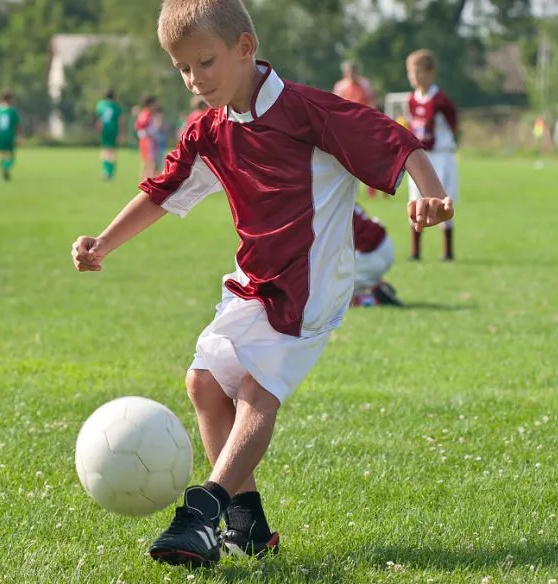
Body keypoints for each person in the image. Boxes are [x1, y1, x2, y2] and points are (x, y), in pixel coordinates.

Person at [71, 0, 453, 567]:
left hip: (309, 284)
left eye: (205, 62)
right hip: (254, 277)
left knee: (254, 390)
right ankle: (248, 528)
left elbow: (393, 140)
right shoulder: (209, 128)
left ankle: (202, 511)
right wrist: (103, 241)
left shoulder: (308, 110)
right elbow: (162, 191)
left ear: (245, 48)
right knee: (203, 384)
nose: (195, 79)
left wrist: (427, 191)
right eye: (183, 69)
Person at [406, 49, 459, 261]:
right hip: (420, 156)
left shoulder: (441, 100)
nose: (414, 76)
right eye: (410, 72)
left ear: (430, 73)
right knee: (415, 198)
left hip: (441, 156)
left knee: (443, 200)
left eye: (418, 71)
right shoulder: (411, 99)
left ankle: (447, 252)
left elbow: (453, 126)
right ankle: (415, 251)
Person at [333, 61, 380, 199]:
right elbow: (334, 105)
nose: (352, 74)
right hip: (347, 128)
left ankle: (372, 188)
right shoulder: (340, 87)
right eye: (350, 71)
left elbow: (373, 101)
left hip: (364, 126)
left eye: (354, 71)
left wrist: (370, 119)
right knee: (349, 159)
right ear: (345, 73)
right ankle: (349, 188)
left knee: (369, 157)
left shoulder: (365, 84)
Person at [352, 204, 402, 307]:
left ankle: (375, 298)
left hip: (371, 254)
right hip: (382, 245)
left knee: (334, 297)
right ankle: (375, 284)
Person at [95, 90, 123, 180]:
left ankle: (105, 171)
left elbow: (99, 119)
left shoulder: (100, 104)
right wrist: (121, 133)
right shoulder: (116, 106)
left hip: (105, 130)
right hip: (114, 130)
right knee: (112, 151)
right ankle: (110, 172)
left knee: (105, 150)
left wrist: (98, 130)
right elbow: (121, 120)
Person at [0, 91, 20, 181]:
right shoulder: (11, 111)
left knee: (1, 154)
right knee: (12, 155)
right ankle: (6, 167)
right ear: (9, 99)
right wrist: (19, 136)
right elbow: (17, 125)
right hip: (9, 135)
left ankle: (3, 170)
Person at [135, 95, 159, 180]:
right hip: (147, 141)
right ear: (150, 104)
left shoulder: (146, 113)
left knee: (146, 162)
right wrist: (148, 134)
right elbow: (141, 127)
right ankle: (146, 183)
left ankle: (145, 182)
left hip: (147, 140)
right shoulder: (146, 114)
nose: (156, 106)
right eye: (155, 104)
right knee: (149, 163)